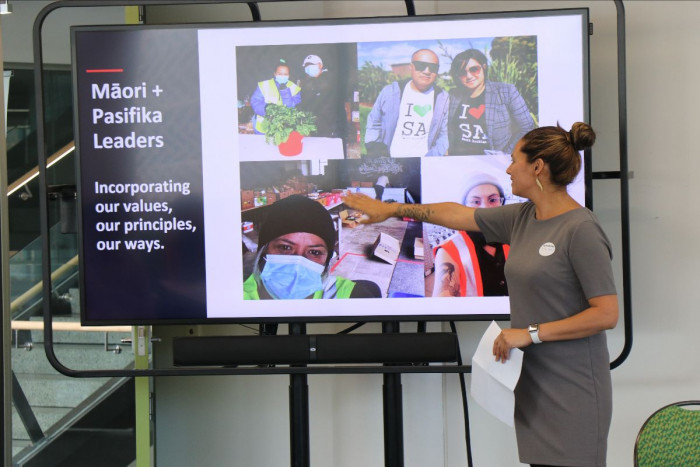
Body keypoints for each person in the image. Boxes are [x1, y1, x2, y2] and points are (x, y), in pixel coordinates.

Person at [344, 122, 618, 466]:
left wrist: (531, 334)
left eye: (514, 160)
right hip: (533, 382)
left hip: (574, 388)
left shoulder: (581, 228)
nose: (508, 168)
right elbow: (456, 213)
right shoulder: (522, 217)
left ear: (537, 168)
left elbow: (606, 314)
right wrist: (392, 210)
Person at [243, 195, 381, 300]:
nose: (298, 262)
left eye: (314, 252)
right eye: (285, 248)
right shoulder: (236, 297)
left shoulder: (351, 296)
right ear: (264, 251)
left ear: (326, 260)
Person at [432, 172, 508, 297]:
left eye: (493, 200)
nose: (485, 208)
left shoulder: (516, 240)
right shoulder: (449, 251)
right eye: (475, 202)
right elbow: (442, 308)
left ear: (501, 203)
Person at [447, 49, 535, 156]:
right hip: (458, 160)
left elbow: (527, 127)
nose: (469, 76)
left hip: (492, 162)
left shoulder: (506, 92)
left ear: (484, 67)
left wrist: (506, 154)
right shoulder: (452, 95)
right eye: (462, 72)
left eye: (474, 69)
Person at [364, 48, 449, 157]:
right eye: (421, 65)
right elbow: (374, 122)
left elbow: (444, 134)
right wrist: (375, 150)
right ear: (411, 67)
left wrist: (432, 157)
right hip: (392, 160)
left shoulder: (443, 98)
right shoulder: (390, 92)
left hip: (424, 163)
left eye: (433, 67)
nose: (427, 71)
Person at [298, 54, 346, 138]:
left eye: (311, 65)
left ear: (320, 65)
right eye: (306, 67)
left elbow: (320, 88)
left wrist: (306, 83)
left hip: (331, 127)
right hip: (317, 125)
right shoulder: (312, 80)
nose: (308, 68)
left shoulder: (329, 77)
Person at [250, 59, 302, 134]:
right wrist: (268, 111)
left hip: (284, 129)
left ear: (289, 75)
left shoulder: (294, 88)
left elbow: (293, 108)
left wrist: (285, 93)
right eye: (280, 73)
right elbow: (255, 102)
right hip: (264, 128)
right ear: (275, 74)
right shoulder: (264, 85)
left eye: (285, 74)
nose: (282, 76)